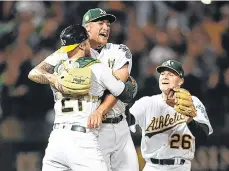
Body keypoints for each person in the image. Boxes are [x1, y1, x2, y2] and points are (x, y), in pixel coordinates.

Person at [28, 24, 135, 171]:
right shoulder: (97, 67)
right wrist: (130, 83)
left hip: (56, 141)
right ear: (83, 44)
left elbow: (34, 73)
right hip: (82, 140)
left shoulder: (59, 69)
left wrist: (54, 79)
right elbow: (124, 93)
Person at [128, 60, 213, 171]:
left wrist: (190, 121)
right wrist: (120, 99)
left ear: (180, 81)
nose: (165, 77)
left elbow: (203, 135)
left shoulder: (193, 102)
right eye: (162, 74)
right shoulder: (147, 103)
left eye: (170, 74)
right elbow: (125, 121)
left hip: (180, 166)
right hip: (152, 167)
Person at [82, 8, 139, 171]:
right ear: (87, 28)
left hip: (121, 127)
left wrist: (100, 110)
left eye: (108, 24)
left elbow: (118, 88)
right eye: (100, 23)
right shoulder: (76, 54)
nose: (106, 27)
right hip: (94, 131)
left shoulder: (119, 50)